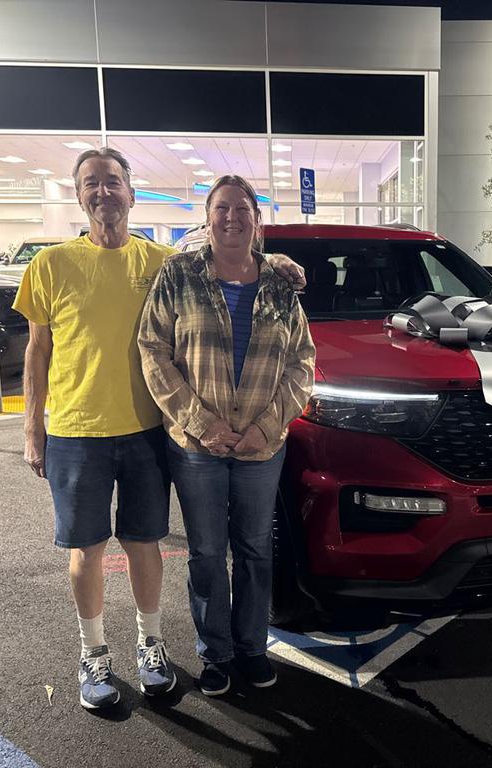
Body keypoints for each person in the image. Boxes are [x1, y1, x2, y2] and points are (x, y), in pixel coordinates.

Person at [13, 150, 305, 710]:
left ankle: (152, 646)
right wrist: (33, 428)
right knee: (88, 550)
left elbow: (230, 251)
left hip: (147, 430)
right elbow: (38, 350)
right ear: (78, 194)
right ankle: (94, 654)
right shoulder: (51, 264)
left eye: (113, 182)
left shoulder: (161, 261)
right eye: (92, 183)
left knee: (145, 544)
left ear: (130, 192)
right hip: (78, 430)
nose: (104, 192)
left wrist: (276, 258)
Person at [138, 174, 316, 697]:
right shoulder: (179, 275)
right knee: (208, 552)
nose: (232, 217)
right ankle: (216, 654)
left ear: (256, 220)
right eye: (222, 208)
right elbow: (153, 350)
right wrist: (201, 423)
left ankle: (252, 648)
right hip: (197, 447)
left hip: (263, 447)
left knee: (256, 550)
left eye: (243, 209)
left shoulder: (279, 283)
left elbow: (302, 361)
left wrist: (267, 426)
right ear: (207, 217)